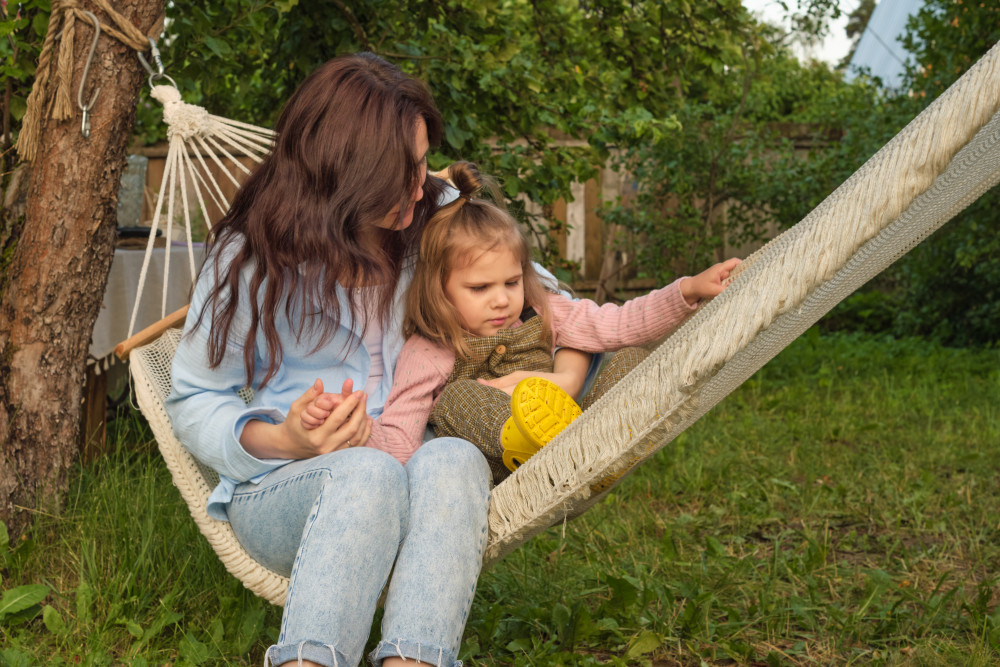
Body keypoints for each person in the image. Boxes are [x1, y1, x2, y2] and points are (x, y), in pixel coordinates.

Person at [166, 55, 590, 667]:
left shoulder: (436, 215)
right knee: (367, 471)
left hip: (421, 478)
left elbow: (552, 302)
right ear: (346, 176)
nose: (424, 184)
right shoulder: (252, 259)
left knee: (453, 454)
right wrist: (285, 438)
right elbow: (193, 399)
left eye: (422, 162)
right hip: (289, 492)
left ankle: (410, 661)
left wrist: (566, 377)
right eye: (404, 173)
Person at [301, 162, 741, 484]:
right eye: (479, 289)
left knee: (630, 358)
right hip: (506, 461)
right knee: (454, 400)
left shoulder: (542, 310)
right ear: (440, 289)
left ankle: (596, 448)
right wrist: (357, 429)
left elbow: (620, 323)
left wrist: (686, 291)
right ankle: (563, 455)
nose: (502, 299)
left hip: (576, 428)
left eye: (511, 282)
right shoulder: (430, 348)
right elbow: (401, 436)